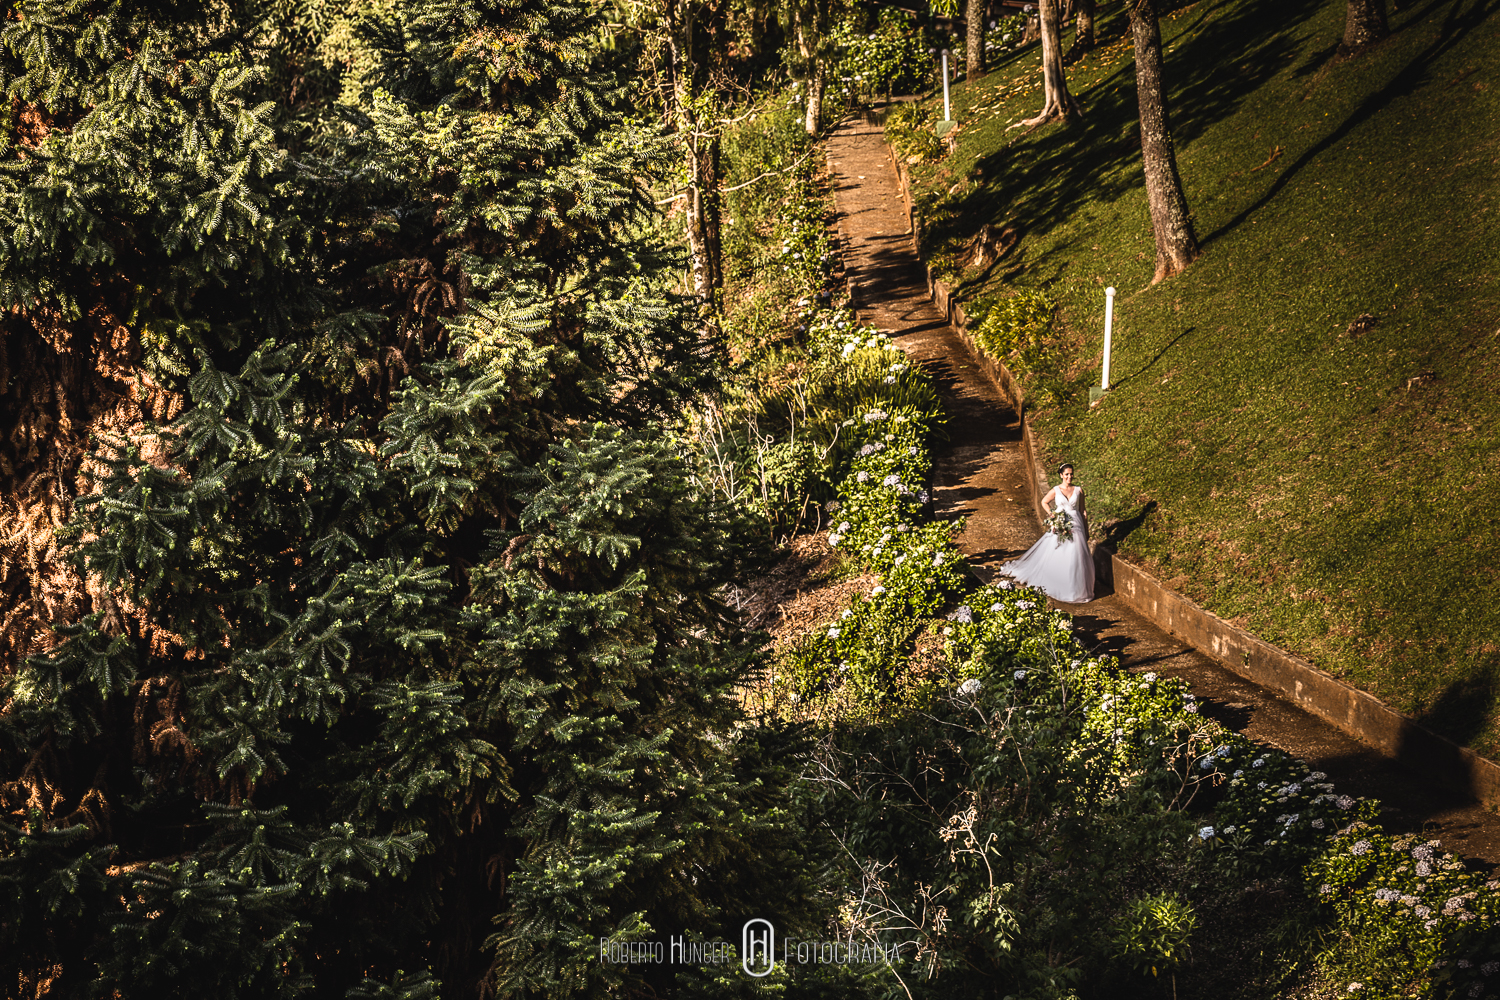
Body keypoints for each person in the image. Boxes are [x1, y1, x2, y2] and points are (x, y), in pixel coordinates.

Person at [1001, 462, 1094, 603]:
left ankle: (1076, 588)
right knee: (1060, 552)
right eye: (1066, 474)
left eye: (1071, 474)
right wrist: (1052, 515)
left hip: (1076, 525)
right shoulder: (1056, 490)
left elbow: (1083, 511)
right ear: (1061, 475)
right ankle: (1058, 581)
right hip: (1060, 523)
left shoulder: (1078, 490)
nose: (1069, 477)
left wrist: (1086, 529)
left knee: (1077, 555)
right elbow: (1044, 502)